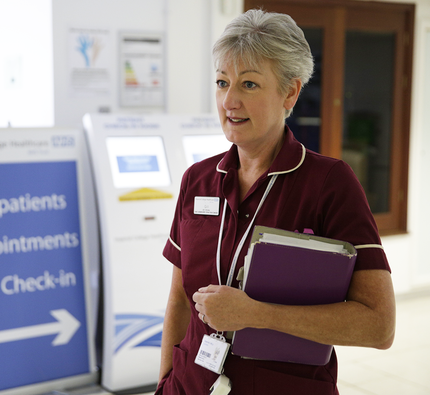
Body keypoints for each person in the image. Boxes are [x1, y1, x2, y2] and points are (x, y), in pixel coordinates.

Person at [156, 9, 395, 395]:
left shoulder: (330, 184)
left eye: (249, 84)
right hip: (192, 382)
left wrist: (257, 315)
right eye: (221, 82)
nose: (229, 100)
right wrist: (165, 382)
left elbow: (378, 325)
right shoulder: (197, 181)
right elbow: (179, 300)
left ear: (290, 92)